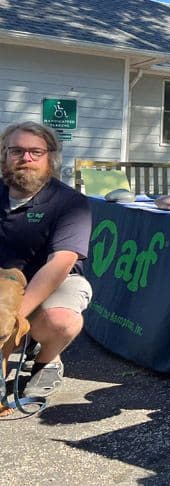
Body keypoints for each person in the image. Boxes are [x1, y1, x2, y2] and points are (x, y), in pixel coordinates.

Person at [0, 121, 92, 397]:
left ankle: (46, 360)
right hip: (4, 281)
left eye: (35, 152)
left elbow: (60, 263)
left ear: (50, 158)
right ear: (4, 155)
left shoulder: (70, 203)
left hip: (53, 282)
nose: (25, 158)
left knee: (61, 320)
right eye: (17, 151)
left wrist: (13, 318)